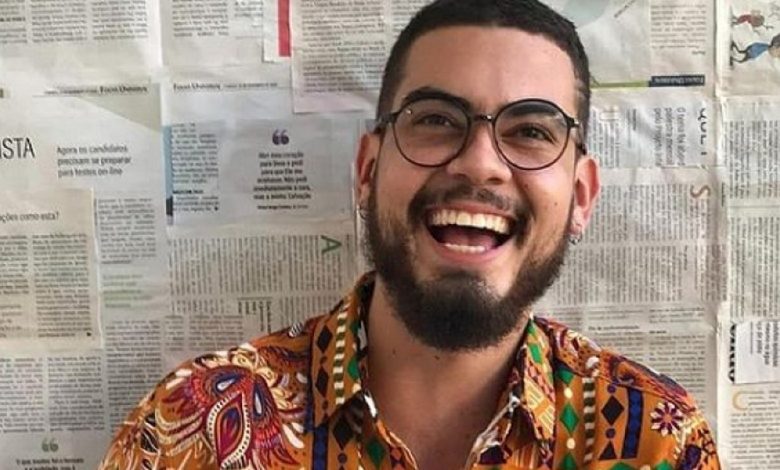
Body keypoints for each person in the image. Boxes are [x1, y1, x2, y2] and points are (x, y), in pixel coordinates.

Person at [100, 0, 720, 468]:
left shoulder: (656, 442)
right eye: (437, 120)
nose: (480, 163)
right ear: (368, 171)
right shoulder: (196, 430)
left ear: (581, 197)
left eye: (531, 131)